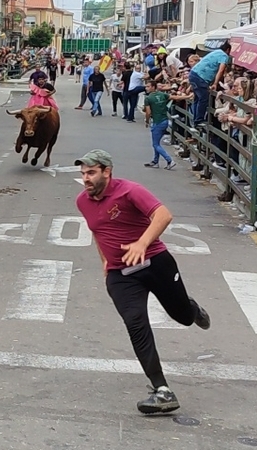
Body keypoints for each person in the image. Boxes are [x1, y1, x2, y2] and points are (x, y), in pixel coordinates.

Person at [74, 149, 210, 414]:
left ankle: (192, 309)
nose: (86, 179)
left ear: (107, 172)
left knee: (181, 315)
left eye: (91, 173)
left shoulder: (130, 191)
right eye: (83, 174)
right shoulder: (83, 201)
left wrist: (141, 243)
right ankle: (162, 390)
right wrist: (104, 260)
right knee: (136, 324)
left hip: (155, 263)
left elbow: (163, 215)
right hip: (121, 276)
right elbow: (99, 231)